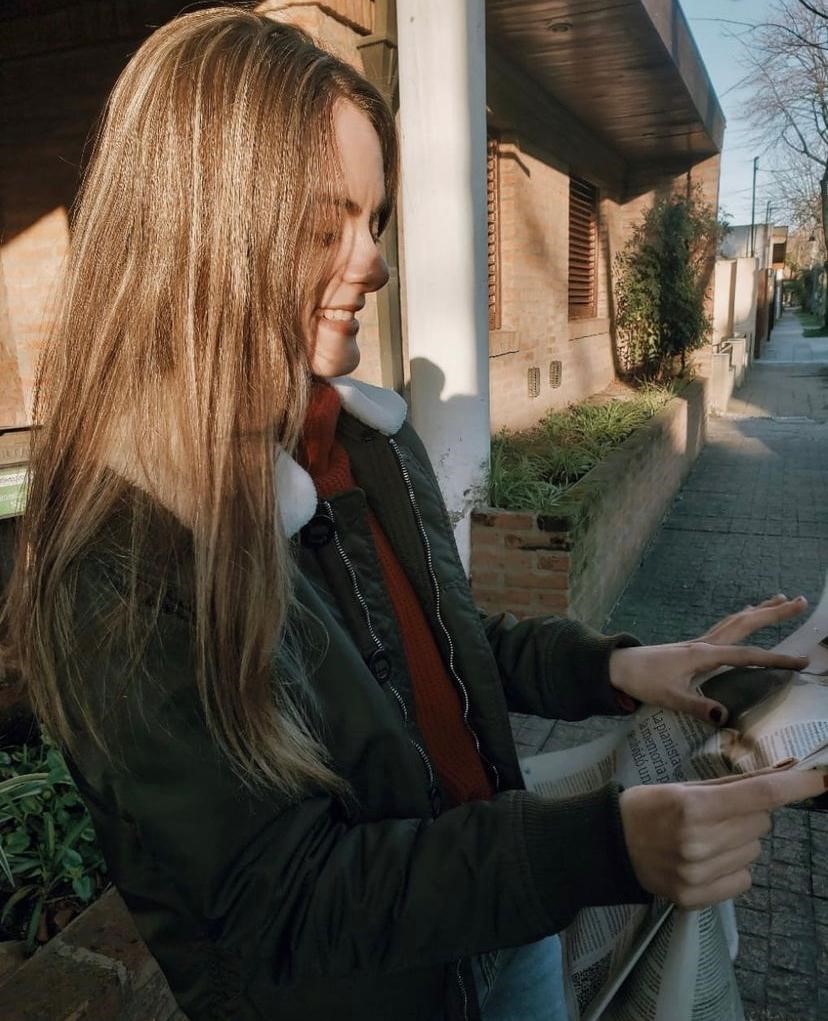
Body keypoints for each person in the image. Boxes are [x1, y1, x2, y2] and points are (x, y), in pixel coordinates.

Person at [1, 9, 824, 1021]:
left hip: (500, 929)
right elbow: (280, 902)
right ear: (198, 232)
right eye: (324, 226)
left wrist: (617, 668)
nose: (374, 262)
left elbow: (443, 647)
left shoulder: (365, 440)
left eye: (376, 221)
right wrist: (604, 844)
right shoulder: (130, 548)